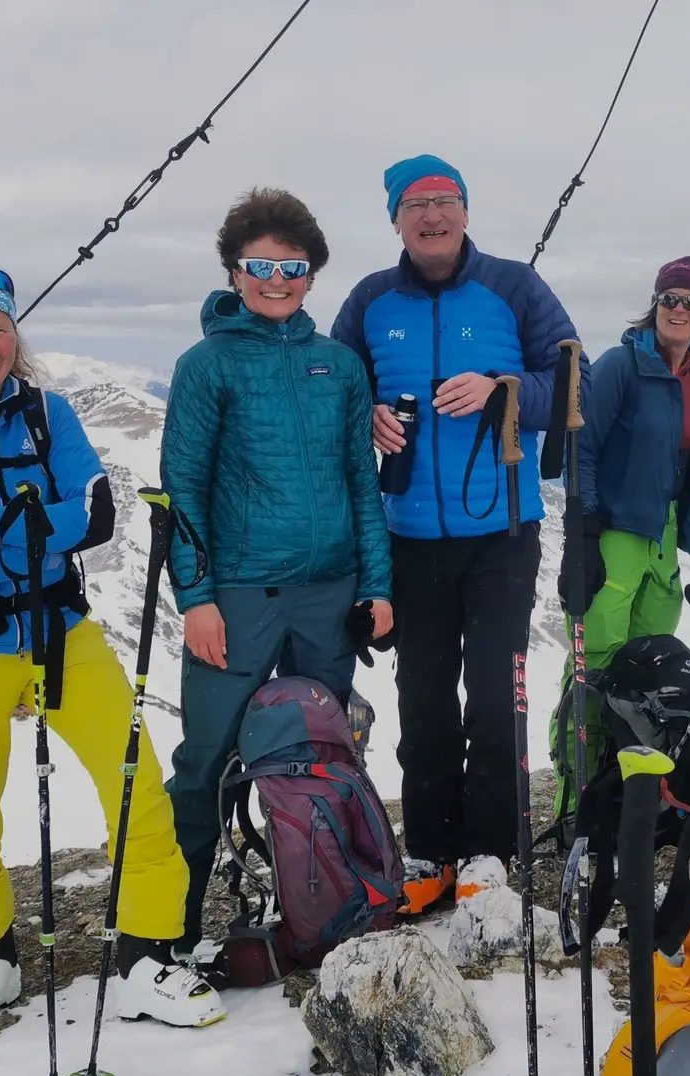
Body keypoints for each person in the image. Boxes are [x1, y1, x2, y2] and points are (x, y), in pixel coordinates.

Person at [0, 266, 224, 1041]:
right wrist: (27, 526)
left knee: (133, 782)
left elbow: (96, 514)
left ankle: (144, 954)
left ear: (15, 338)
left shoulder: (49, 412)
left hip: (59, 631)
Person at [331, 154, 578, 914]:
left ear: (466, 213)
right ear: (396, 221)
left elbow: (575, 383)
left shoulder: (514, 287)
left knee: (497, 698)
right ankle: (433, 849)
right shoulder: (371, 300)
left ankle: (492, 852)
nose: (432, 215)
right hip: (408, 533)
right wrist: (364, 412)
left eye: (444, 201)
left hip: (501, 532)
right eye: (416, 205)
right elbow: (336, 388)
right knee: (424, 695)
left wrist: (504, 390)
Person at [160, 188, 392, 955]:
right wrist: (196, 599)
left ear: (312, 275)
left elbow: (363, 480)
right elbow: (183, 491)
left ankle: (325, 906)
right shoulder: (205, 366)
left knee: (326, 755)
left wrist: (377, 585)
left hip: (329, 595)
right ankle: (174, 924)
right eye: (260, 265)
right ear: (234, 269)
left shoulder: (339, 366)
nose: (276, 279)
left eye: (292, 266)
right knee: (207, 760)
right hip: (238, 595)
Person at [557, 256, 690, 772]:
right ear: (654, 305)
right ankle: (578, 785)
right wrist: (584, 535)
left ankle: (629, 784)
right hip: (616, 533)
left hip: (666, 537)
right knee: (595, 665)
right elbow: (581, 449)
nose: (679, 309)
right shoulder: (621, 365)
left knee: (651, 664)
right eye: (669, 298)